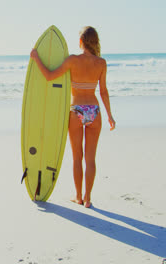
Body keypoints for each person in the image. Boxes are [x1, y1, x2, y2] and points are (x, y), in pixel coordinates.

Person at [30, 26, 116, 208]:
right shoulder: (101, 63)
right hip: (94, 110)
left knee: (78, 157)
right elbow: (104, 92)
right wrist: (109, 115)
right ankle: (88, 198)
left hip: (76, 109)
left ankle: (78, 196)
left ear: (80, 42)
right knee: (91, 159)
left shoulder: (72, 60)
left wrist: (36, 58)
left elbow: (49, 76)